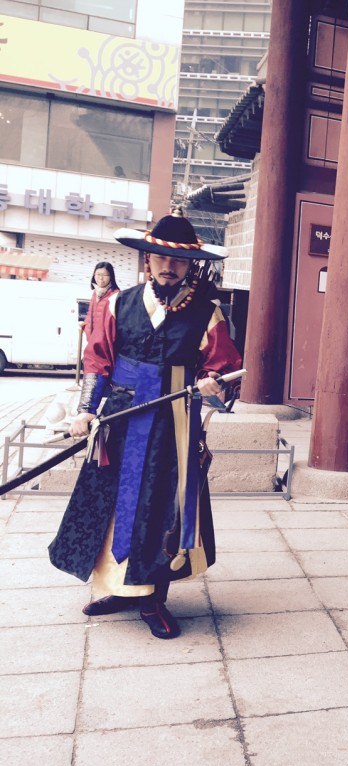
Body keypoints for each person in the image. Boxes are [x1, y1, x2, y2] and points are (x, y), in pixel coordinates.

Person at [49, 208, 242, 640]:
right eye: (159, 258)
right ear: (147, 260)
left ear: (190, 263)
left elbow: (225, 372)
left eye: (176, 260)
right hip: (119, 417)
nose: (168, 266)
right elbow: (97, 361)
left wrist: (213, 386)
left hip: (172, 423)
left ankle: (152, 597)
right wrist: (85, 410)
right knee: (112, 503)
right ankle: (117, 588)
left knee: (160, 507)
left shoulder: (207, 314)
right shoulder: (118, 303)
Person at [81, 261, 120, 339]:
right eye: (98, 274)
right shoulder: (95, 292)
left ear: (111, 276)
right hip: (92, 338)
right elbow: (90, 314)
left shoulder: (116, 295)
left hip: (105, 341)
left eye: (104, 275)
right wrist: (86, 328)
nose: (101, 278)